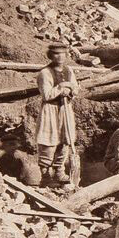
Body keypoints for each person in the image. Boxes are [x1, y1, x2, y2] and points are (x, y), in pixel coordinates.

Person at [35, 43, 78, 187]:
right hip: (50, 110)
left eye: (63, 54)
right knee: (49, 141)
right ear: (51, 56)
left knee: (66, 139)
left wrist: (70, 90)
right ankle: (45, 175)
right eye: (56, 54)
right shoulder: (45, 73)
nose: (60, 57)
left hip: (65, 108)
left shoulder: (69, 70)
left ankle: (59, 171)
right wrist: (61, 88)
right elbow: (47, 95)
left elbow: (75, 88)